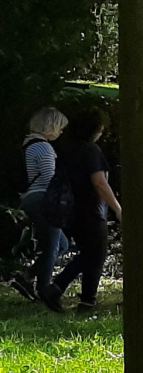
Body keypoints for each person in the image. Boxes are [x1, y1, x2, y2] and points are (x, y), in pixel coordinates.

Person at [40, 108, 121, 313]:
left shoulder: (67, 148)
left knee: (88, 253)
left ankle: (57, 289)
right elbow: (100, 183)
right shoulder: (90, 151)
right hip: (90, 209)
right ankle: (86, 301)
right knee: (97, 254)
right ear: (94, 130)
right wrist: (118, 209)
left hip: (71, 209)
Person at [12, 108, 69, 306]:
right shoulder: (43, 147)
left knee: (61, 245)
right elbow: (49, 178)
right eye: (60, 128)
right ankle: (44, 289)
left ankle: (27, 276)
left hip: (31, 197)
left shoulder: (29, 144)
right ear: (50, 126)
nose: (61, 132)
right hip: (43, 199)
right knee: (52, 246)